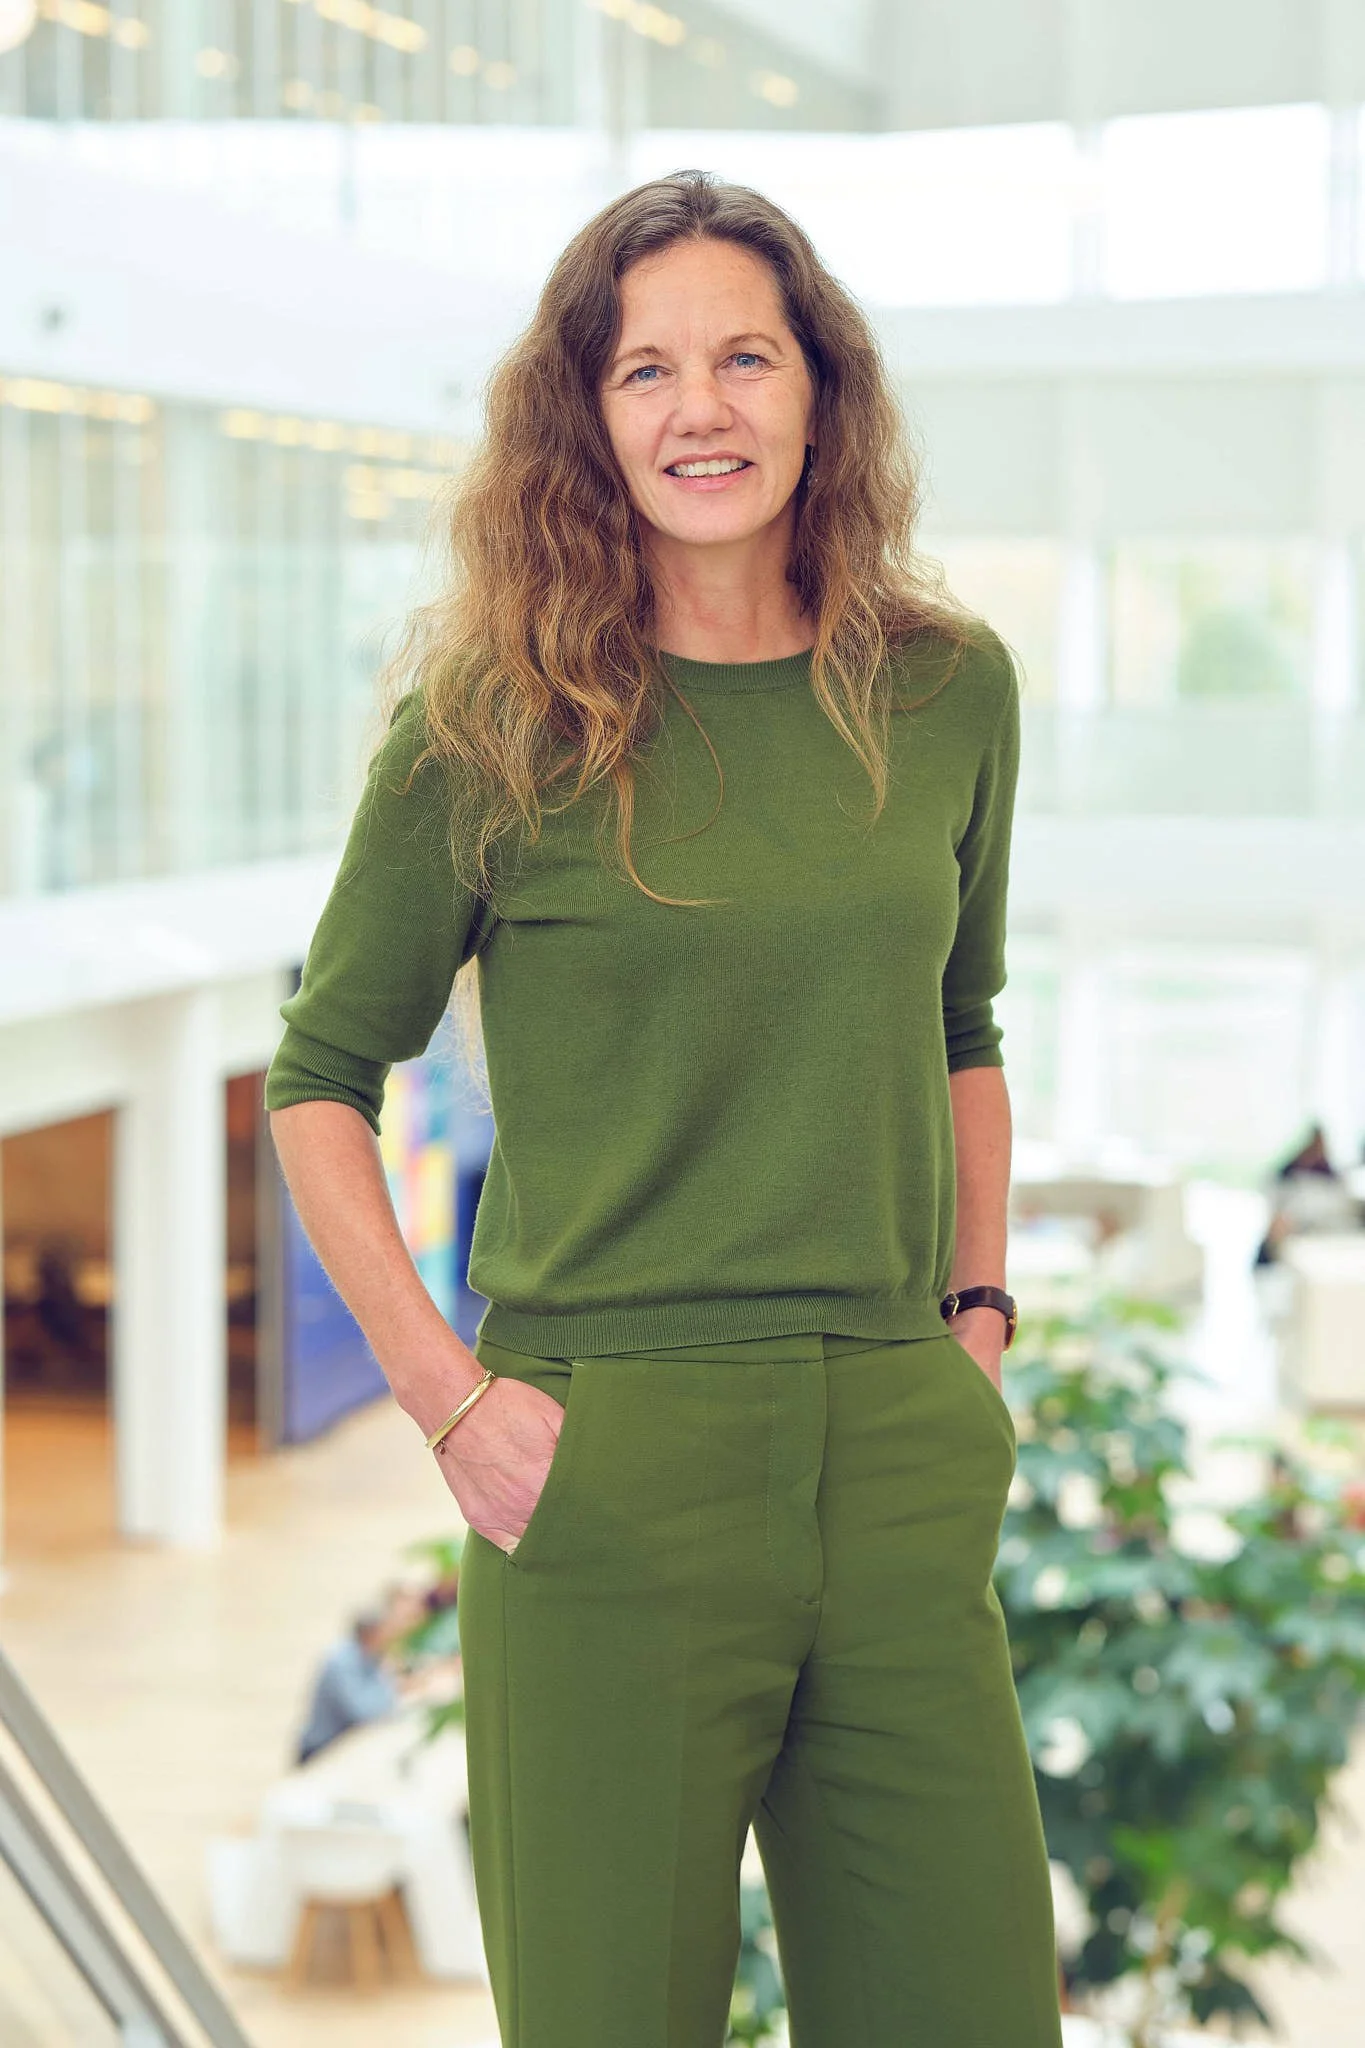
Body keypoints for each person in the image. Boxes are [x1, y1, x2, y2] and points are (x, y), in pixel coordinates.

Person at [266, 170, 1062, 2047]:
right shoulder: (490, 722)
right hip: (604, 1461)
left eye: (746, 358)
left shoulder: (948, 691)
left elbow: (962, 1022)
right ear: (589, 416)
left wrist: (974, 1325)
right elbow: (319, 1078)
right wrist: (448, 1399)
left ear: (819, 392)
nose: (701, 408)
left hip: (894, 1436)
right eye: (646, 370)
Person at [293, 1604, 403, 1767]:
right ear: (371, 1634)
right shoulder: (342, 1663)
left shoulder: (371, 1658)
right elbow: (362, 1712)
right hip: (320, 1750)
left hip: (341, 1747)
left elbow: (387, 1702)